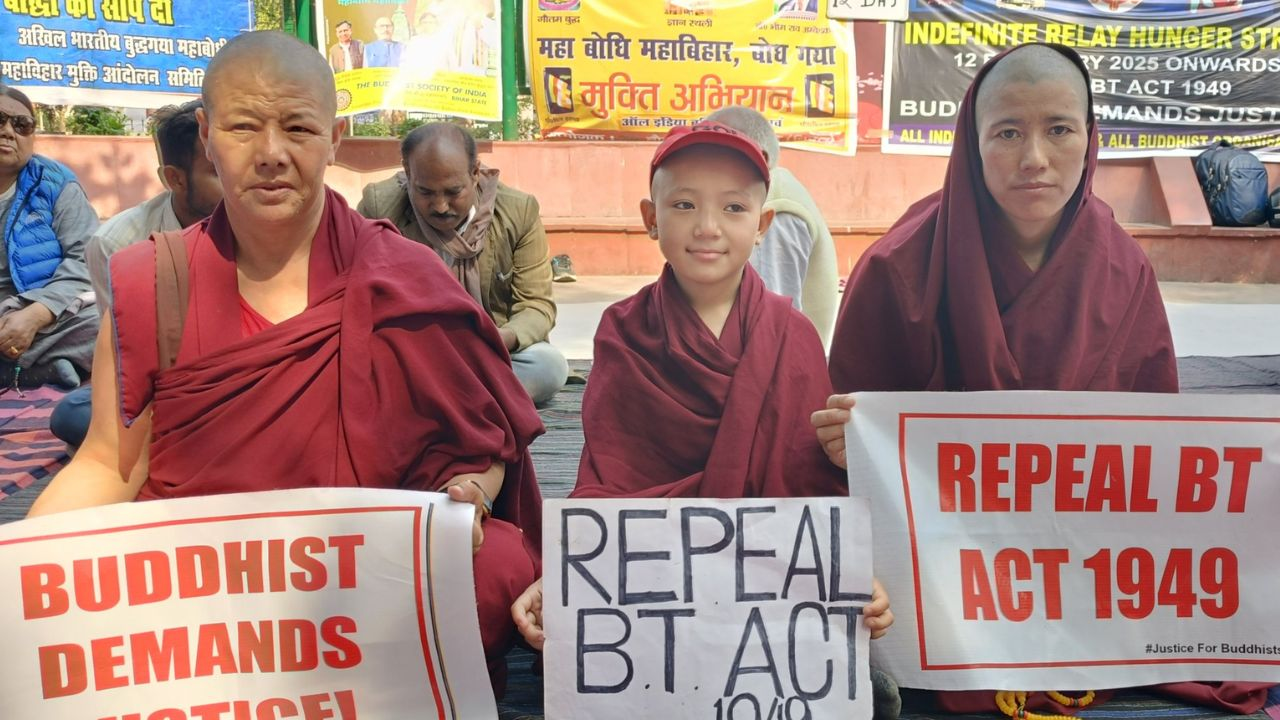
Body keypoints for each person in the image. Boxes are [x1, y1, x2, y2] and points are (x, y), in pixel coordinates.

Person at [28, 31, 544, 699]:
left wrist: (470, 489)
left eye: (298, 127)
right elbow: (107, 461)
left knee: (492, 564)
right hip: (206, 577)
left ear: (334, 139)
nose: (272, 154)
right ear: (208, 136)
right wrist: (24, 577)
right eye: (244, 127)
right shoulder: (158, 280)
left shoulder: (406, 278)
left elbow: (484, 446)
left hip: (360, 575)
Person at [813, 43, 1270, 716]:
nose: (1034, 158)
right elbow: (846, 463)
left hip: (1081, 571)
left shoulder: (1121, 269)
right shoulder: (899, 269)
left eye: (1059, 128)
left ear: (1090, 140)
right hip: (941, 580)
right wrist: (843, 445)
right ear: (971, 144)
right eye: (1007, 132)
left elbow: (1155, 462)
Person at [508, 122, 896, 711]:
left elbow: (808, 486)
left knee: (850, 657)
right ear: (650, 217)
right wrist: (569, 573)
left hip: (765, 587)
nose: (708, 227)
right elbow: (613, 480)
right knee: (569, 648)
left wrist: (847, 577)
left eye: (734, 207)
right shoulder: (624, 330)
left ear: (762, 225)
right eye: (683, 204)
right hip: (661, 581)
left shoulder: (790, 337)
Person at [50, 99, 221, 448]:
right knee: (71, 415)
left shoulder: (260, 224)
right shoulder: (119, 245)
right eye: (218, 172)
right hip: (169, 391)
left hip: (249, 379)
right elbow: (130, 360)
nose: (240, 182)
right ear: (174, 178)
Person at [358, 122, 568, 406]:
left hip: (493, 350)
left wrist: (498, 338)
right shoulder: (378, 208)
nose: (441, 206)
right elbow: (358, 294)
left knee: (549, 366)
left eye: (453, 192)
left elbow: (536, 306)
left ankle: (431, 398)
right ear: (408, 175)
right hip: (412, 349)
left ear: (475, 173)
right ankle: (472, 397)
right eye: (426, 192)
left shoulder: (519, 211)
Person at [706, 105, 839, 349]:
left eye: (715, 150)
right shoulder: (750, 196)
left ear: (759, 156)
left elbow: (771, 327)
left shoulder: (774, 204)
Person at [0, 84, 98, 390]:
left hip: (48, 310)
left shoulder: (56, 185)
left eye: (21, 125)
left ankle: (19, 367)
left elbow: (88, 259)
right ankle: (36, 371)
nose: (8, 132)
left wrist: (37, 314)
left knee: (113, 324)